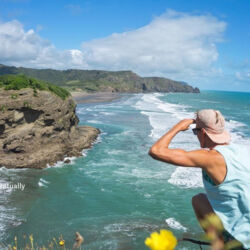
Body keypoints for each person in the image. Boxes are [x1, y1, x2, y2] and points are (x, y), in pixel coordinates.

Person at [148, 109, 250, 249]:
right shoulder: (243, 150)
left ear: (202, 133)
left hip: (241, 240)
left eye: (195, 132)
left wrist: (178, 126)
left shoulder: (210, 158)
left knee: (198, 201)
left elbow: (156, 151)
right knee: (200, 199)